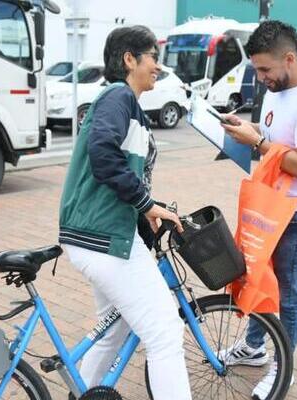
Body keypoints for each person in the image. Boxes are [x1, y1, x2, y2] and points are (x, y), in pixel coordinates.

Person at [58, 25, 191, 399]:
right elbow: (104, 155)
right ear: (129, 59)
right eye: (154, 57)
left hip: (97, 233)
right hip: (103, 236)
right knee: (165, 329)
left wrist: (147, 211)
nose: (159, 67)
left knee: (113, 328)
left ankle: (81, 394)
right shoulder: (118, 97)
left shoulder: (125, 104)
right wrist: (146, 204)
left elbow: (121, 173)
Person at [218, 20, 297, 399]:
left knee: (287, 292)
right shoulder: (276, 91)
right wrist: (248, 131)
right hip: (269, 207)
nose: (261, 77)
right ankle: (254, 348)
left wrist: (258, 143)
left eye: (265, 70)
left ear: (289, 58)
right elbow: (274, 139)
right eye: (256, 69)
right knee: (258, 281)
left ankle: (283, 366)